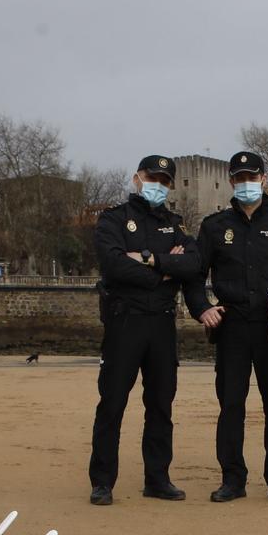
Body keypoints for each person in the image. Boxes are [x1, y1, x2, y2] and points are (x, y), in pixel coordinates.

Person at [190, 151, 268, 503]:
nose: (247, 182)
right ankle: (232, 478)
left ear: (265, 179)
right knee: (231, 404)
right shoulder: (214, 228)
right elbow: (195, 276)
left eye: (253, 176)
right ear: (231, 181)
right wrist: (201, 308)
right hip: (231, 328)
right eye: (240, 176)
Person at [87, 154, 204, 505]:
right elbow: (114, 265)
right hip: (125, 322)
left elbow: (194, 264)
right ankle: (102, 481)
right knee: (112, 403)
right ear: (137, 178)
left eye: (165, 182)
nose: (159, 185)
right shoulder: (113, 219)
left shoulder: (176, 225)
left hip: (162, 325)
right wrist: (165, 272)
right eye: (153, 178)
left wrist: (149, 259)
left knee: (161, 405)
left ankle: (157, 478)